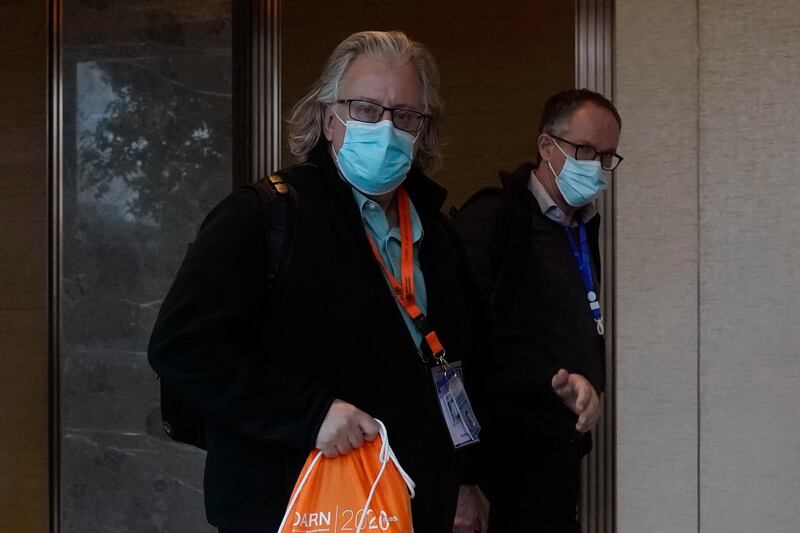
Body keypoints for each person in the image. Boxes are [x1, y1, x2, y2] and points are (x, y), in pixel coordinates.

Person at [148, 31, 489, 532]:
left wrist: (466, 476)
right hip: (296, 508)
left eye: (405, 116)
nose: (387, 128)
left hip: (412, 509)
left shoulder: (436, 233)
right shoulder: (263, 216)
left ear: (422, 130)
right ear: (330, 119)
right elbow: (182, 348)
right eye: (367, 110)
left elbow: (466, 361)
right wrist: (310, 414)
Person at [451, 89, 622, 532]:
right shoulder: (495, 220)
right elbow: (459, 347)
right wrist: (463, 477)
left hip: (557, 454)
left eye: (605, 156)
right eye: (585, 150)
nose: (594, 166)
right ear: (547, 146)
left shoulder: (579, 226)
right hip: (498, 463)